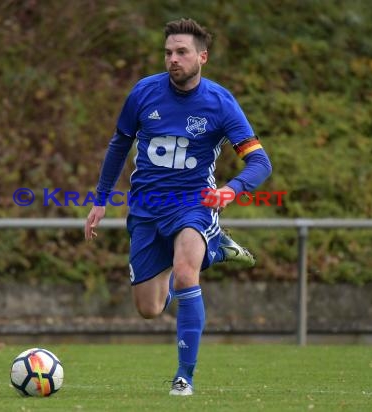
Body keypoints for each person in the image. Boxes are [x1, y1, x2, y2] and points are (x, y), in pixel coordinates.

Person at [84, 18, 272, 396]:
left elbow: (260, 162)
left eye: (182, 52)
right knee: (149, 309)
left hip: (193, 204)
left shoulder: (220, 103)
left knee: (187, 274)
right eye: (168, 52)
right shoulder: (143, 93)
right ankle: (217, 250)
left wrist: (231, 190)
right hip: (146, 208)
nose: (173, 59)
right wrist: (100, 199)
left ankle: (184, 377)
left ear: (202, 56)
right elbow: (119, 144)